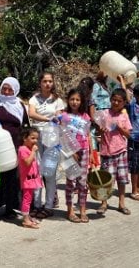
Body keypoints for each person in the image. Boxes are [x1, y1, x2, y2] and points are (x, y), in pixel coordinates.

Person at [0, 77, 29, 219]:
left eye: (10, 89)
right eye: (4, 88)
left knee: (11, 177)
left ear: (15, 90)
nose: (6, 92)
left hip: (13, 145)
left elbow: (25, 125)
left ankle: (10, 208)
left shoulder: (20, 106)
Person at [27, 72, 65, 220]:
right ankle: (36, 204)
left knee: (49, 173)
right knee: (36, 170)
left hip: (51, 138)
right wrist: (48, 118)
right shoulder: (34, 99)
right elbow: (31, 113)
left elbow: (59, 117)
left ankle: (48, 205)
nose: (47, 84)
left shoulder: (57, 100)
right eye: (45, 81)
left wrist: (50, 119)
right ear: (40, 83)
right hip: (36, 138)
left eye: (50, 81)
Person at [97, 88, 132, 216]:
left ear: (123, 103)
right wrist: (101, 130)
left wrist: (119, 128)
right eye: (114, 100)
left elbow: (129, 135)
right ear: (110, 100)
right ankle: (103, 203)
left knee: (122, 180)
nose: (116, 103)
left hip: (121, 152)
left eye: (119, 101)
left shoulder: (124, 116)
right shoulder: (104, 114)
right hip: (107, 152)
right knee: (105, 181)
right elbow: (99, 131)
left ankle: (121, 203)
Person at [61, 88, 92, 223]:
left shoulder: (85, 116)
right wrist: (71, 152)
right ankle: (70, 211)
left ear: (81, 101)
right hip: (69, 152)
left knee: (82, 182)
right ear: (68, 100)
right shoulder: (64, 116)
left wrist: (91, 153)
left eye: (77, 99)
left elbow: (88, 135)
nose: (74, 102)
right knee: (70, 182)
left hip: (84, 150)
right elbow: (61, 135)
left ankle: (83, 210)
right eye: (72, 99)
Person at [18, 127, 43, 229]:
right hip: (27, 180)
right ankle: (25, 220)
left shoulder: (28, 149)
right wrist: (33, 152)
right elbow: (27, 162)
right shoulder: (22, 149)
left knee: (29, 198)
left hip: (32, 178)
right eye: (32, 138)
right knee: (27, 198)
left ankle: (27, 216)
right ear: (25, 138)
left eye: (37, 139)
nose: (35, 141)